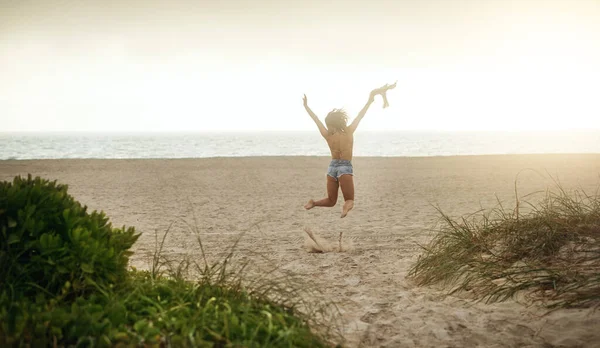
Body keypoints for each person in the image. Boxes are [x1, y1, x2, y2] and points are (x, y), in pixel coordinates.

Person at [303, 82, 396, 218]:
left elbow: (316, 119)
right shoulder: (347, 131)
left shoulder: (331, 134)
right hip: (343, 168)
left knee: (331, 201)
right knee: (349, 200)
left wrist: (306, 106)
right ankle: (334, 206)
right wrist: (369, 102)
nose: (328, 128)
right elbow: (360, 115)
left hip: (332, 168)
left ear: (333, 124)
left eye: (329, 125)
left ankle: (315, 203)